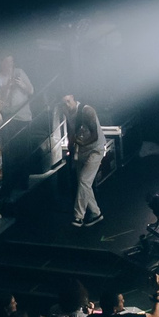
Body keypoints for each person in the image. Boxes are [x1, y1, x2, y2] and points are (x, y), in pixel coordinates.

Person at [66, 96, 106, 228]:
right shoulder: (67, 113)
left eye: (68, 101)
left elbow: (95, 136)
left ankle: (78, 217)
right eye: (63, 103)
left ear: (74, 100)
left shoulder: (86, 111)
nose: (66, 105)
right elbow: (71, 132)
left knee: (84, 181)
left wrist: (82, 143)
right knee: (84, 184)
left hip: (95, 149)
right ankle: (96, 213)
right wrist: (71, 148)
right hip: (81, 151)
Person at [0, 53, 33, 123]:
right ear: (1, 62)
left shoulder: (19, 72)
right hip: (8, 116)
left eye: (11, 61)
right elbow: (1, 101)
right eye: (7, 62)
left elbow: (31, 91)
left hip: (23, 115)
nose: (10, 64)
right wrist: (8, 87)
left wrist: (22, 85)